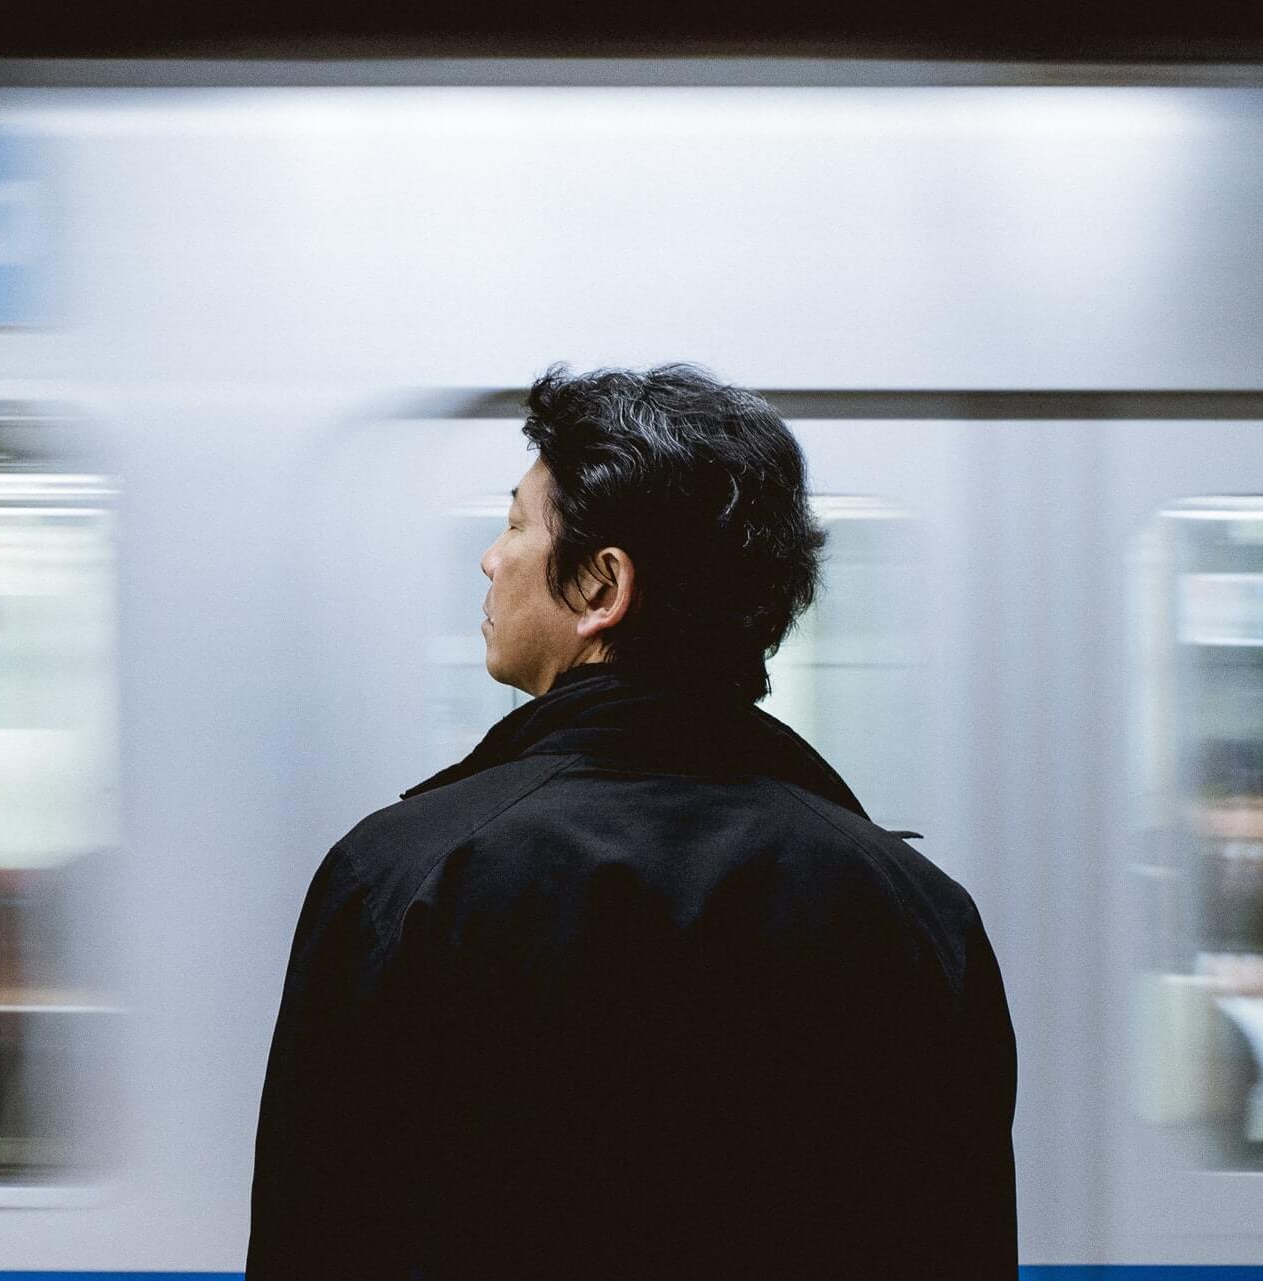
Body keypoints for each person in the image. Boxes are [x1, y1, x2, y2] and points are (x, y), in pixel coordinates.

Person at [249, 364, 1016, 1280]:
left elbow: (320, 1243)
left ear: (602, 587)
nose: (492, 557)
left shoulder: (403, 883)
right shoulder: (920, 916)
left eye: (516, 525)